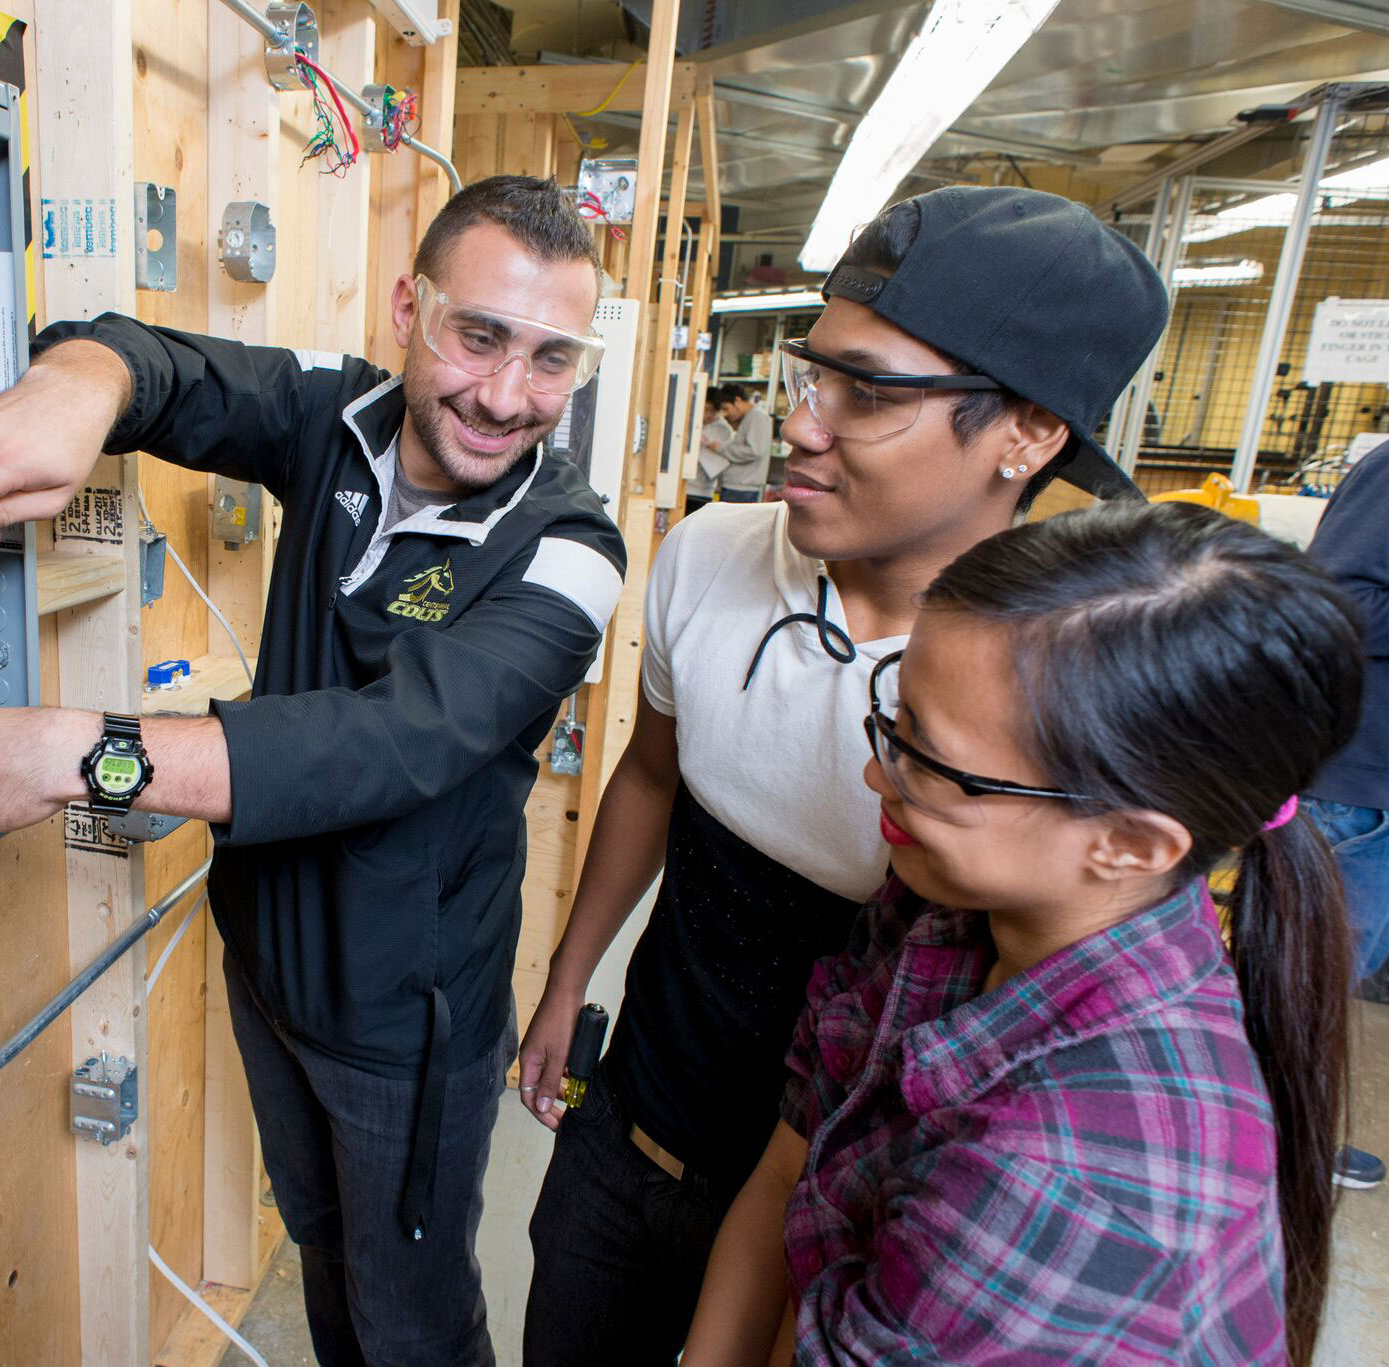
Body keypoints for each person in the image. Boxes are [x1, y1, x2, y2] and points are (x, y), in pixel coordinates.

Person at [0, 175, 628, 1366]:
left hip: (404, 1029)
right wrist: (76, 385)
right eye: (478, 336)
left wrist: (67, 753)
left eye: (552, 358)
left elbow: (383, 744)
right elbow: (171, 369)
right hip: (268, 971)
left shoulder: (571, 553)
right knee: (321, 1261)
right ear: (409, 307)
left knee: (410, 1322)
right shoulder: (336, 412)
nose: (507, 396)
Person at [518, 186, 1168, 1365]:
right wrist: (567, 980)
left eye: (866, 394)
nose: (803, 425)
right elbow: (650, 777)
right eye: (809, 375)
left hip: (831, 1209)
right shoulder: (711, 555)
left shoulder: (1042, 704)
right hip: (628, 1127)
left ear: (1024, 432)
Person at [681, 501, 1363, 1367]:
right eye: (900, 722)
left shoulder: (1074, 1177)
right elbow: (793, 1171)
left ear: (1132, 843)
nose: (875, 770)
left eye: (938, 763)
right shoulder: (952, 903)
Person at [1301, 410, 1389, 1192]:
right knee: (1304, 985)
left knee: (1333, 982)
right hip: (1365, 792)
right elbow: (1334, 594)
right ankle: (1267, 1149)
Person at [686, 385, 738, 514]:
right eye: (706, 409)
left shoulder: (723, 429)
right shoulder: (689, 422)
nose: (709, 415)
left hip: (704, 489)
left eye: (713, 411)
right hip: (683, 487)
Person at [715, 389, 774, 502]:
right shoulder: (750, 416)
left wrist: (722, 449)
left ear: (737, 400)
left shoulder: (756, 416)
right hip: (738, 485)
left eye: (726, 408)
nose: (725, 414)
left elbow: (754, 450)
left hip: (741, 488)